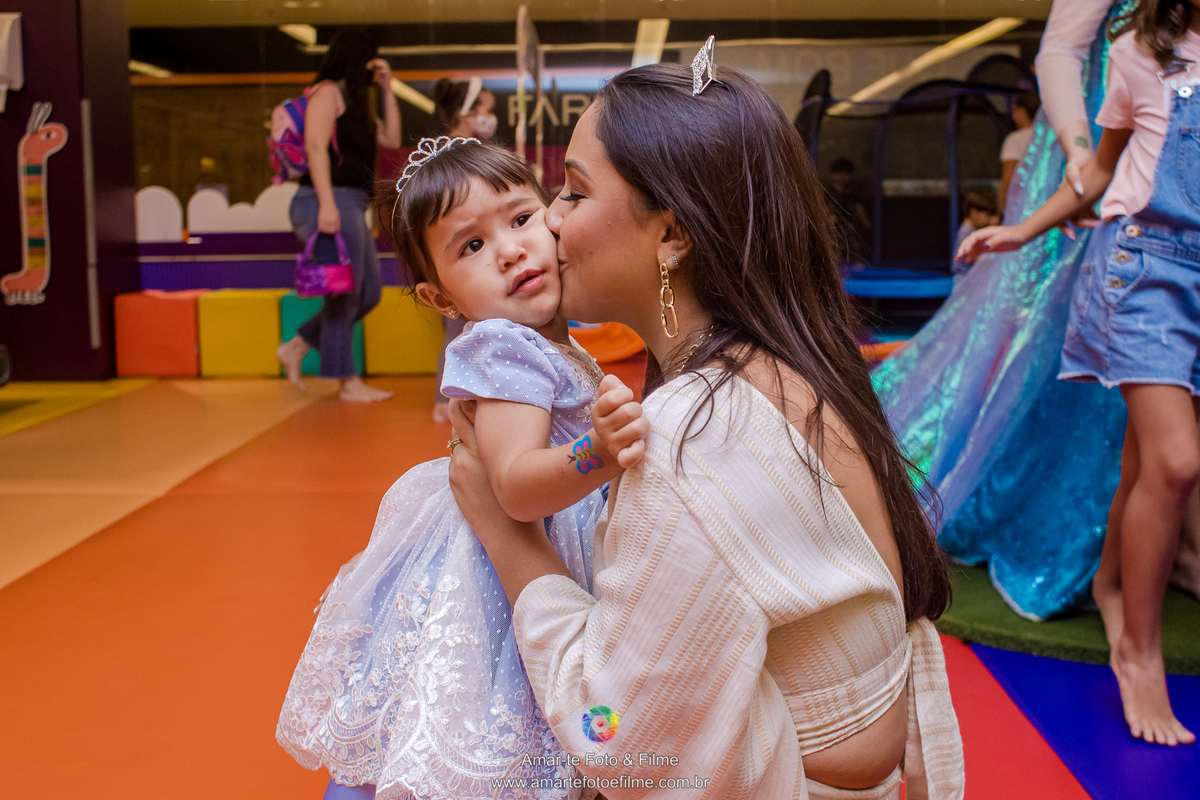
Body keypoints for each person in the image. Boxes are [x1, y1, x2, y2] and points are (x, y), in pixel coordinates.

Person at [446, 62, 965, 799]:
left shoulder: (691, 435)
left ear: (673, 233)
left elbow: (616, 736)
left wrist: (507, 534)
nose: (550, 219)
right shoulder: (788, 363)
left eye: (576, 191)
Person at [277, 137, 648, 799]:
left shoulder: (557, 343)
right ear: (442, 298)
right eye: (469, 246)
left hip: (544, 556)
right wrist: (597, 451)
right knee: (492, 720)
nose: (508, 249)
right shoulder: (504, 346)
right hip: (501, 576)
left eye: (519, 218)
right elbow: (514, 484)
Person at [957, 0, 1200, 747]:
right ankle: (1137, 650)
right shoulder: (1138, 50)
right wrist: (1023, 228)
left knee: (1141, 460)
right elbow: (1100, 165)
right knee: (1176, 458)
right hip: (1143, 267)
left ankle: (1112, 583)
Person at [871, 0, 1135, 627]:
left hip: (1129, 181)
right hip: (1094, 157)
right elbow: (1063, 51)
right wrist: (1071, 159)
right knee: (1049, 345)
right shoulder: (1129, 67)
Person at [276, 30, 400, 403]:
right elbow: (315, 146)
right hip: (322, 200)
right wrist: (328, 205)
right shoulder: (327, 91)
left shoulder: (358, 104)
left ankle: (297, 346)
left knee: (368, 293)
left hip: (351, 203)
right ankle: (346, 382)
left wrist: (388, 86)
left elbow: (391, 139)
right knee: (345, 294)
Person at [428, 77, 499, 423]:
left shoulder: (475, 153)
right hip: (464, 258)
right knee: (456, 329)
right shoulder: (451, 157)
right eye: (486, 110)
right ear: (466, 113)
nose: (491, 117)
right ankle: (444, 399)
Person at [997, 92, 1042, 211]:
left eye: (1014, 110)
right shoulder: (1048, 136)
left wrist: (1002, 210)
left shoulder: (1015, 139)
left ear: (1022, 111)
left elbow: (1009, 178)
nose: (1012, 116)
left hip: (1023, 205)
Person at [824, 157, 873, 265]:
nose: (842, 176)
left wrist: (865, 221)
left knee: (855, 249)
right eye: (838, 173)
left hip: (850, 227)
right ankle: (835, 272)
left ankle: (859, 273)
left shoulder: (852, 193)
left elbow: (859, 206)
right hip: (832, 227)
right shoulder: (826, 193)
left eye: (845, 173)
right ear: (832, 174)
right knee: (833, 250)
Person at [951, 190, 999, 282]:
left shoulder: (971, 231)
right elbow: (978, 259)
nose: (989, 219)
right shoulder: (966, 232)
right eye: (987, 215)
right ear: (974, 213)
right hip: (963, 281)